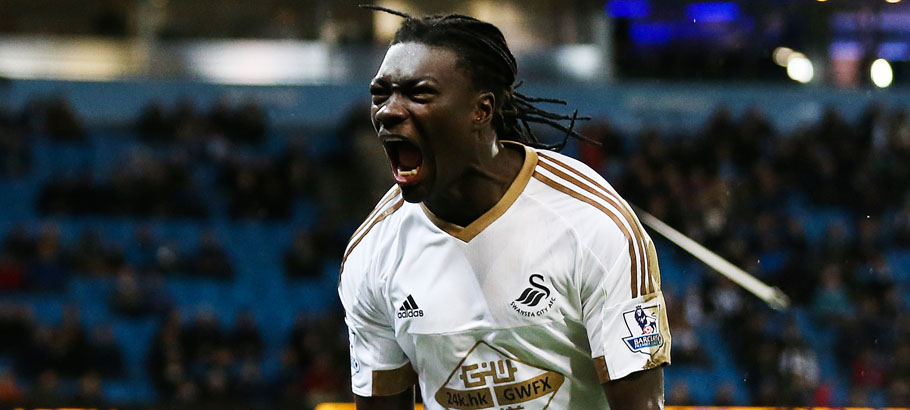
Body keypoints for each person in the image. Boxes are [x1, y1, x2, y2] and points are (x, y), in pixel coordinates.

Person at [338, 7, 670, 410]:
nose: (388, 110)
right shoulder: (373, 251)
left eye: (418, 93)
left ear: (482, 110)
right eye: (380, 94)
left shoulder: (592, 224)